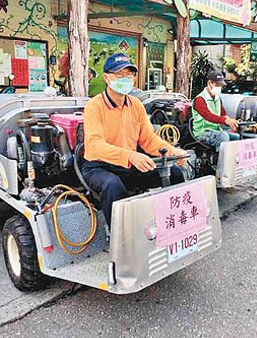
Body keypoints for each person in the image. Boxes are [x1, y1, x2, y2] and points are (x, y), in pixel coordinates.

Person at [82, 53, 188, 227]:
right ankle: (120, 236)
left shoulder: (136, 104)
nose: (125, 79)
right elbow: (94, 146)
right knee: (112, 185)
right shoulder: (94, 106)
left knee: (175, 172)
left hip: (129, 165)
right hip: (98, 166)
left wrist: (173, 152)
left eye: (129, 75)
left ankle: (174, 225)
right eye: (119, 75)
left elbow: (148, 139)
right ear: (107, 78)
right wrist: (131, 156)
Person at [191, 71, 239, 151]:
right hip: (203, 133)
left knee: (236, 137)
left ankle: (234, 161)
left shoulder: (217, 99)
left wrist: (232, 123)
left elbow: (223, 114)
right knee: (223, 136)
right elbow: (208, 116)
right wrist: (225, 120)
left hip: (216, 131)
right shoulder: (200, 99)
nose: (219, 87)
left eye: (221, 86)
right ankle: (221, 162)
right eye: (217, 85)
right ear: (210, 83)